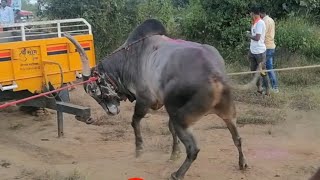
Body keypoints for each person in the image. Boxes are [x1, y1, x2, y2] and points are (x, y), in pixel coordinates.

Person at [246, 5, 270, 95]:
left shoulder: (260, 23)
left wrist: (249, 35)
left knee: (263, 72)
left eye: (250, 14)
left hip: (260, 52)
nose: (250, 15)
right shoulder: (254, 23)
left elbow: (257, 38)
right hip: (253, 51)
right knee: (253, 71)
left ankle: (267, 91)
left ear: (253, 13)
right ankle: (259, 89)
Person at [260, 7, 279, 93]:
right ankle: (271, 87)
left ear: (260, 13)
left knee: (266, 67)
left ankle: (273, 87)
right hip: (271, 45)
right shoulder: (271, 20)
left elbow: (262, 35)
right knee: (268, 67)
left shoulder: (264, 22)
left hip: (266, 47)